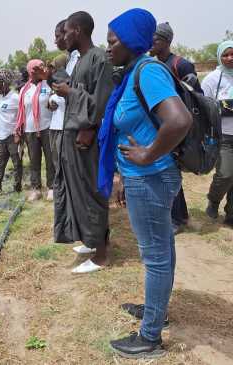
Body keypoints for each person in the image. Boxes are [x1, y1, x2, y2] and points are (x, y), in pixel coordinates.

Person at [98, 9, 192, 359]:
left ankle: (149, 336)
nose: (107, 48)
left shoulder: (147, 72)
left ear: (132, 41)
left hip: (151, 177)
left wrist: (149, 154)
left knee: (155, 255)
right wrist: (124, 172)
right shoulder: (134, 72)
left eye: (112, 42)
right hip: (143, 177)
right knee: (162, 249)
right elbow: (131, 129)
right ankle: (156, 311)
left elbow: (178, 120)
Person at [51, 11, 113, 273]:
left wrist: (70, 92)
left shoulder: (99, 58)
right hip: (73, 137)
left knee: (91, 193)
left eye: (65, 32)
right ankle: (90, 240)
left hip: (86, 138)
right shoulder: (80, 60)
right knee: (77, 191)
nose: (63, 37)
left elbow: (101, 103)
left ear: (77, 30)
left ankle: (101, 256)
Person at [150, 22, 203, 234]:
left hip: (180, 129)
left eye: (155, 40)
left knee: (170, 171)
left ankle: (178, 219)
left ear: (167, 41)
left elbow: (198, 100)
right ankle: (178, 216)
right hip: (163, 127)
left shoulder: (180, 64)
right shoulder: (154, 64)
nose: (150, 43)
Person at [15, 59, 55, 202]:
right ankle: (36, 189)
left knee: (50, 158)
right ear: (30, 71)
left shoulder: (48, 85)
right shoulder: (24, 90)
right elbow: (21, 112)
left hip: (47, 127)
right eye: (36, 69)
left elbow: (54, 102)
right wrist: (18, 131)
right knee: (34, 161)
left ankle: (52, 187)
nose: (39, 71)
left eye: (41, 68)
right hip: (30, 130)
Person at [203, 41, 233, 226]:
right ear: (220, 56)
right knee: (225, 174)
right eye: (226, 54)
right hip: (224, 136)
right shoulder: (213, 79)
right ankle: (213, 200)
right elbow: (204, 107)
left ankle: (231, 215)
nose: (230, 58)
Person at [49, 19, 81, 171]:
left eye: (58, 36)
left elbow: (74, 90)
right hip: (59, 123)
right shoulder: (69, 59)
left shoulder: (80, 59)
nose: (56, 41)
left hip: (71, 125)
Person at [0, 69, 23, 195]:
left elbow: (21, 116)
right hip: (1, 137)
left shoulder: (15, 97)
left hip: (13, 137)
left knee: (17, 164)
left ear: (5, 83)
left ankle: (17, 187)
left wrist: (18, 133)